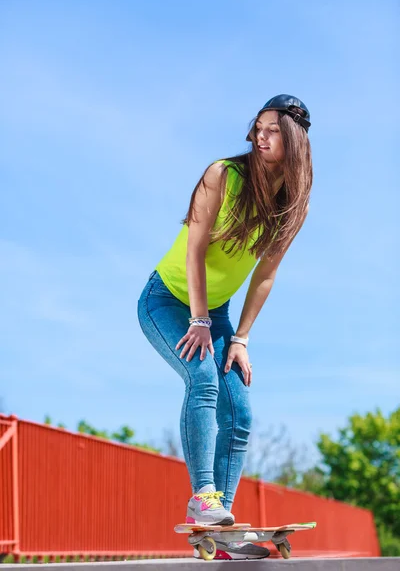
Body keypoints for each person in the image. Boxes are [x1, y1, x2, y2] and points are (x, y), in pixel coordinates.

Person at [137, 94, 313, 560]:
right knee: (202, 380)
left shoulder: (289, 205)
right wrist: (197, 318)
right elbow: (194, 251)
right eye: (258, 127)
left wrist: (239, 338)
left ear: (294, 140)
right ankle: (203, 498)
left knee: (240, 413)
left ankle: (221, 531)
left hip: (216, 315)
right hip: (166, 300)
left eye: (272, 130)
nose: (261, 136)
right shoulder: (222, 175)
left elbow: (266, 275)